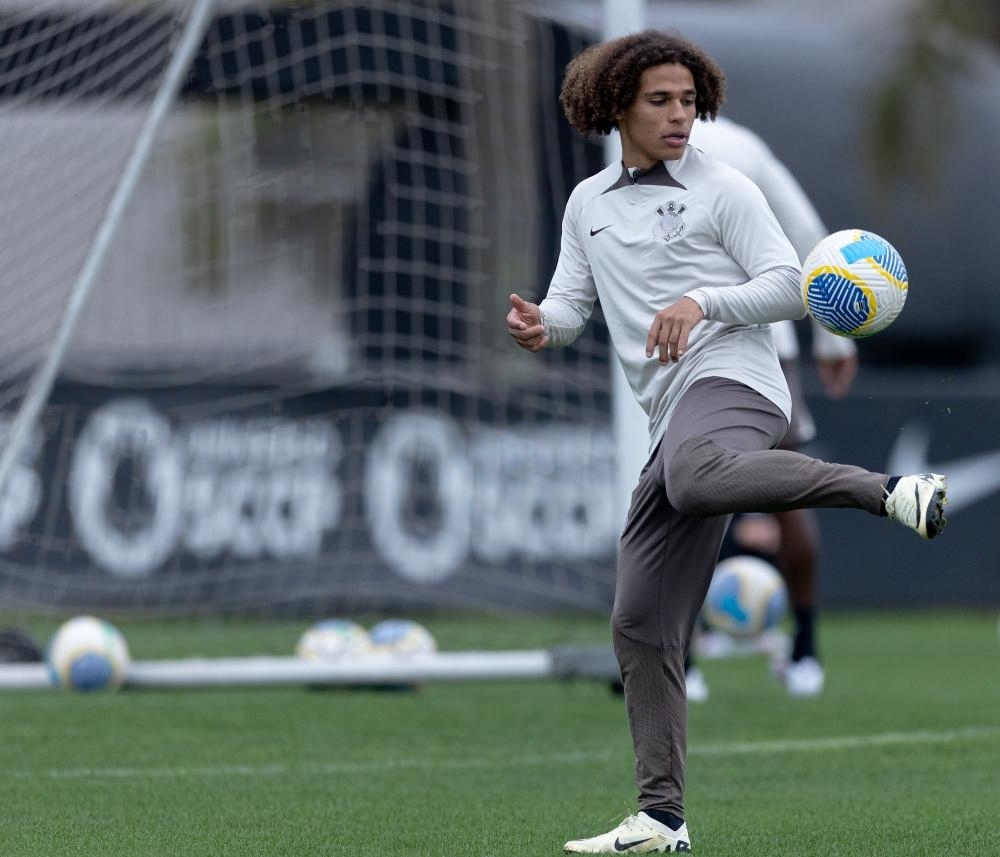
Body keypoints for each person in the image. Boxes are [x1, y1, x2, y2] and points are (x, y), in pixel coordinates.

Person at [505, 30, 947, 854]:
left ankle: (886, 491)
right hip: (672, 415)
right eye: (660, 101)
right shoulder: (588, 205)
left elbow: (794, 284)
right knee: (638, 622)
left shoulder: (724, 187)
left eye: (687, 100)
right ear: (616, 108)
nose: (680, 117)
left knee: (699, 473)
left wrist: (703, 302)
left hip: (739, 384)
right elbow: (571, 309)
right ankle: (661, 819)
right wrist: (541, 325)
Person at [687, 115, 860, 698]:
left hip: (687, 349)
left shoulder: (633, 148)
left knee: (679, 497)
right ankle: (806, 651)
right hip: (767, 350)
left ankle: (681, 660)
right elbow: (809, 231)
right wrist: (833, 337)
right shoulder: (746, 144)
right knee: (789, 491)